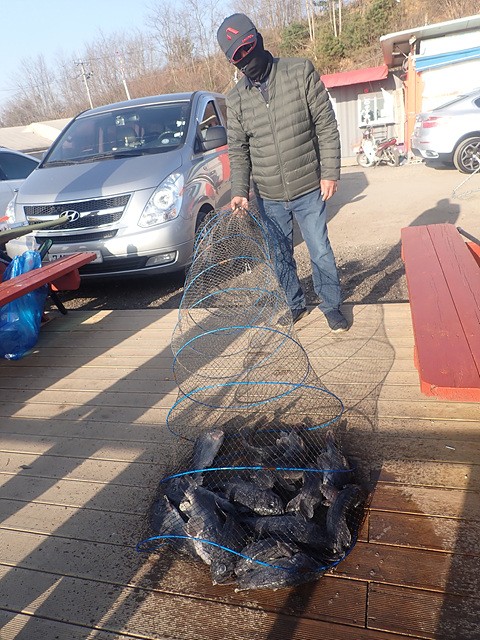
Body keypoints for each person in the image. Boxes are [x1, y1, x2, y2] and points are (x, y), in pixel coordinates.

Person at [216, 13, 348, 333]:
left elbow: (326, 125)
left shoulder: (300, 71)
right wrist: (239, 191)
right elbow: (239, 150)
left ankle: (331, 305)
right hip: (269, 195)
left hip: (308, 186)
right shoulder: (235, 99)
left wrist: (330, 171)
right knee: (279, 254)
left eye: (247, 49)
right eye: (237, 57)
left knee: (320, 250)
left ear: (258, 41)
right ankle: (294, 304)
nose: (245, 60)